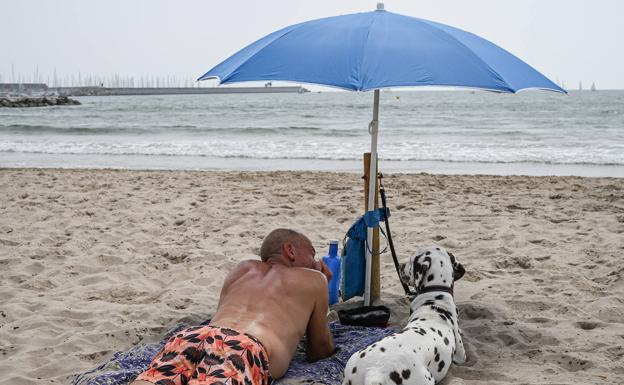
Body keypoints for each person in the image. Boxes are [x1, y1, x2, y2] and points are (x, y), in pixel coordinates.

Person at [132, 228, 335, 385]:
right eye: (312, 253)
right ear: (290, 250)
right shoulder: (314, 278)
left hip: (193, 336)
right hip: (243, 347)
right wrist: (322, 282)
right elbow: (320, 349)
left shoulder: (243, 268)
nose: (315, 261)